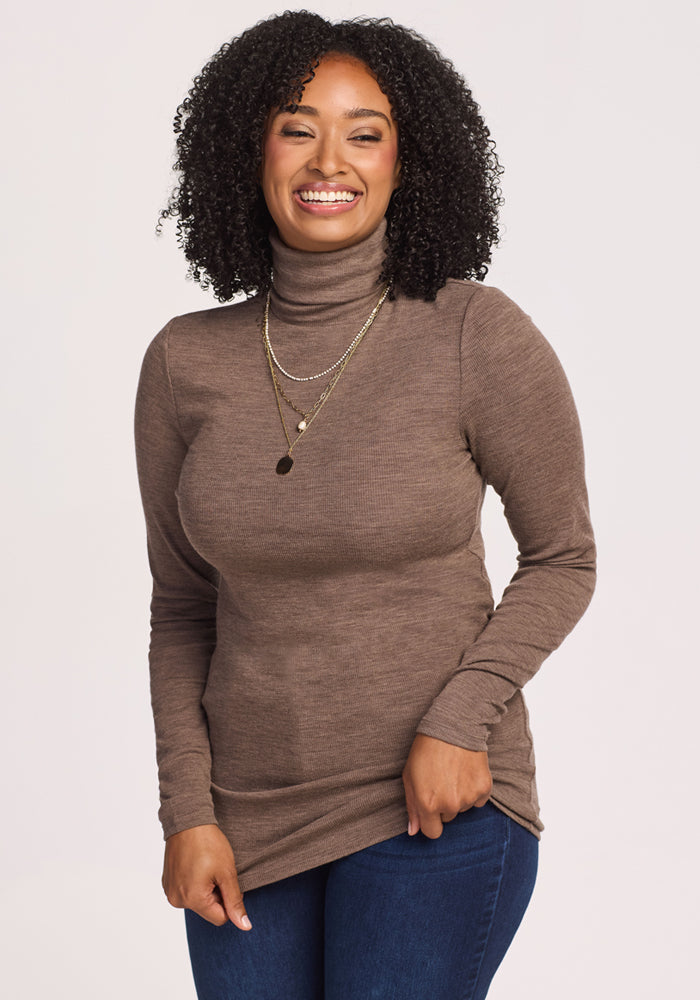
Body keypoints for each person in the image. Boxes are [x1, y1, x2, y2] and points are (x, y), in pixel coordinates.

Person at [135, 11, 596, 999]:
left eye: (364, 132)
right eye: (297, 128)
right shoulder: (184, 361)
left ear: (404, 160)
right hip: (246, 821)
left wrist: (460, 722)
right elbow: (182, 608)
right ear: (248, 148)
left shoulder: (473, 333)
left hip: (433, 807)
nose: (328, 161)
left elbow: (563, 556)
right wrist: (188, 813)